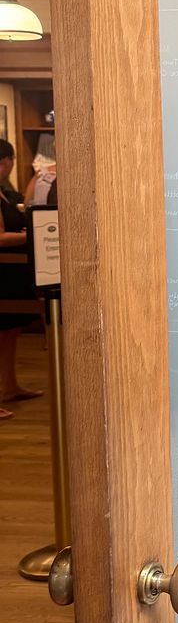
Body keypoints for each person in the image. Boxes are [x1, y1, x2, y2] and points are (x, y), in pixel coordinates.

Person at [0, 138, 42, 419]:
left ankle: (10, 386)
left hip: (12, 273)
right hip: (3, 272)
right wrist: (28, 237)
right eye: (10, 161)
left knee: (10, 332)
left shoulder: (5, 191)